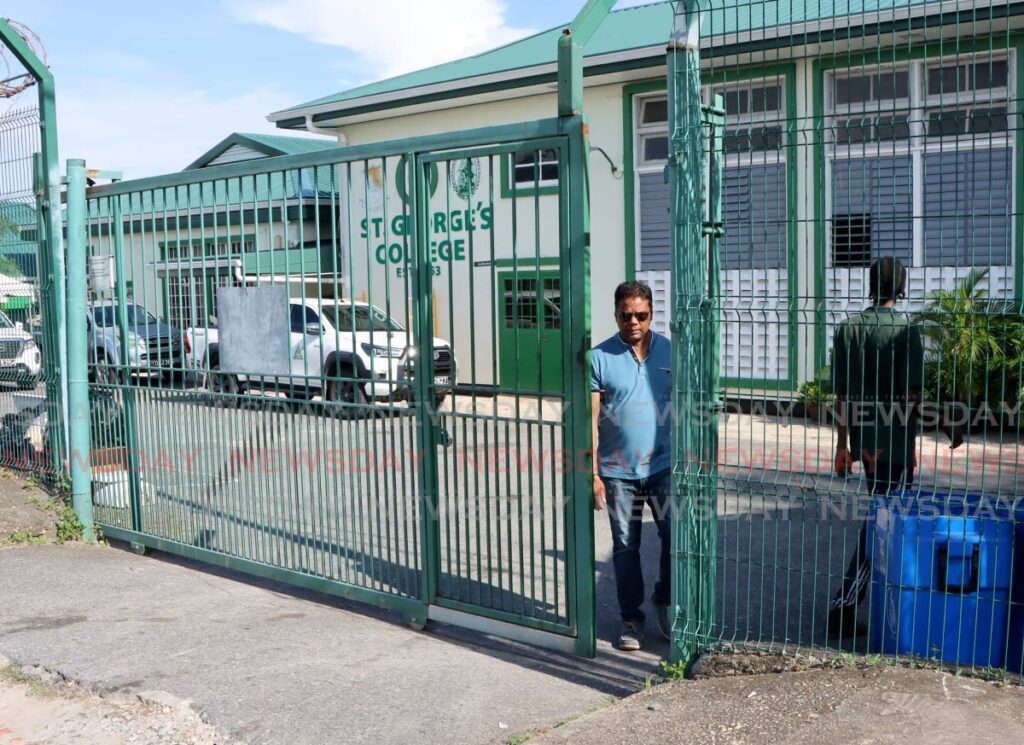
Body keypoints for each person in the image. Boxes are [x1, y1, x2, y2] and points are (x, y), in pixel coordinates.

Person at [828, 257, 923, 637]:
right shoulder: (906, 331)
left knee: (881, 517)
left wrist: (842, 446)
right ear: (901, 287)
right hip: (896, 442)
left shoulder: (849, 329)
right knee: (882, 523)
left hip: (865, 441)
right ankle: (845, 603)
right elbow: (912, 394)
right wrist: (945, 426)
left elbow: (842, 394)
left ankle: (861, 601)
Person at [591, 281, 673, 651]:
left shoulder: (670, 353)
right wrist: (592, 474)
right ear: (616, 315)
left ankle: (664, 598)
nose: (634, 322)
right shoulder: (599, 358)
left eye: (641, 315)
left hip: (663, 466)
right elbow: (588, 421)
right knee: (625, 548)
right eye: (626, 315)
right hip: (617, 471)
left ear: (651, 314)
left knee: (676, 537)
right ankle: (631, 619)